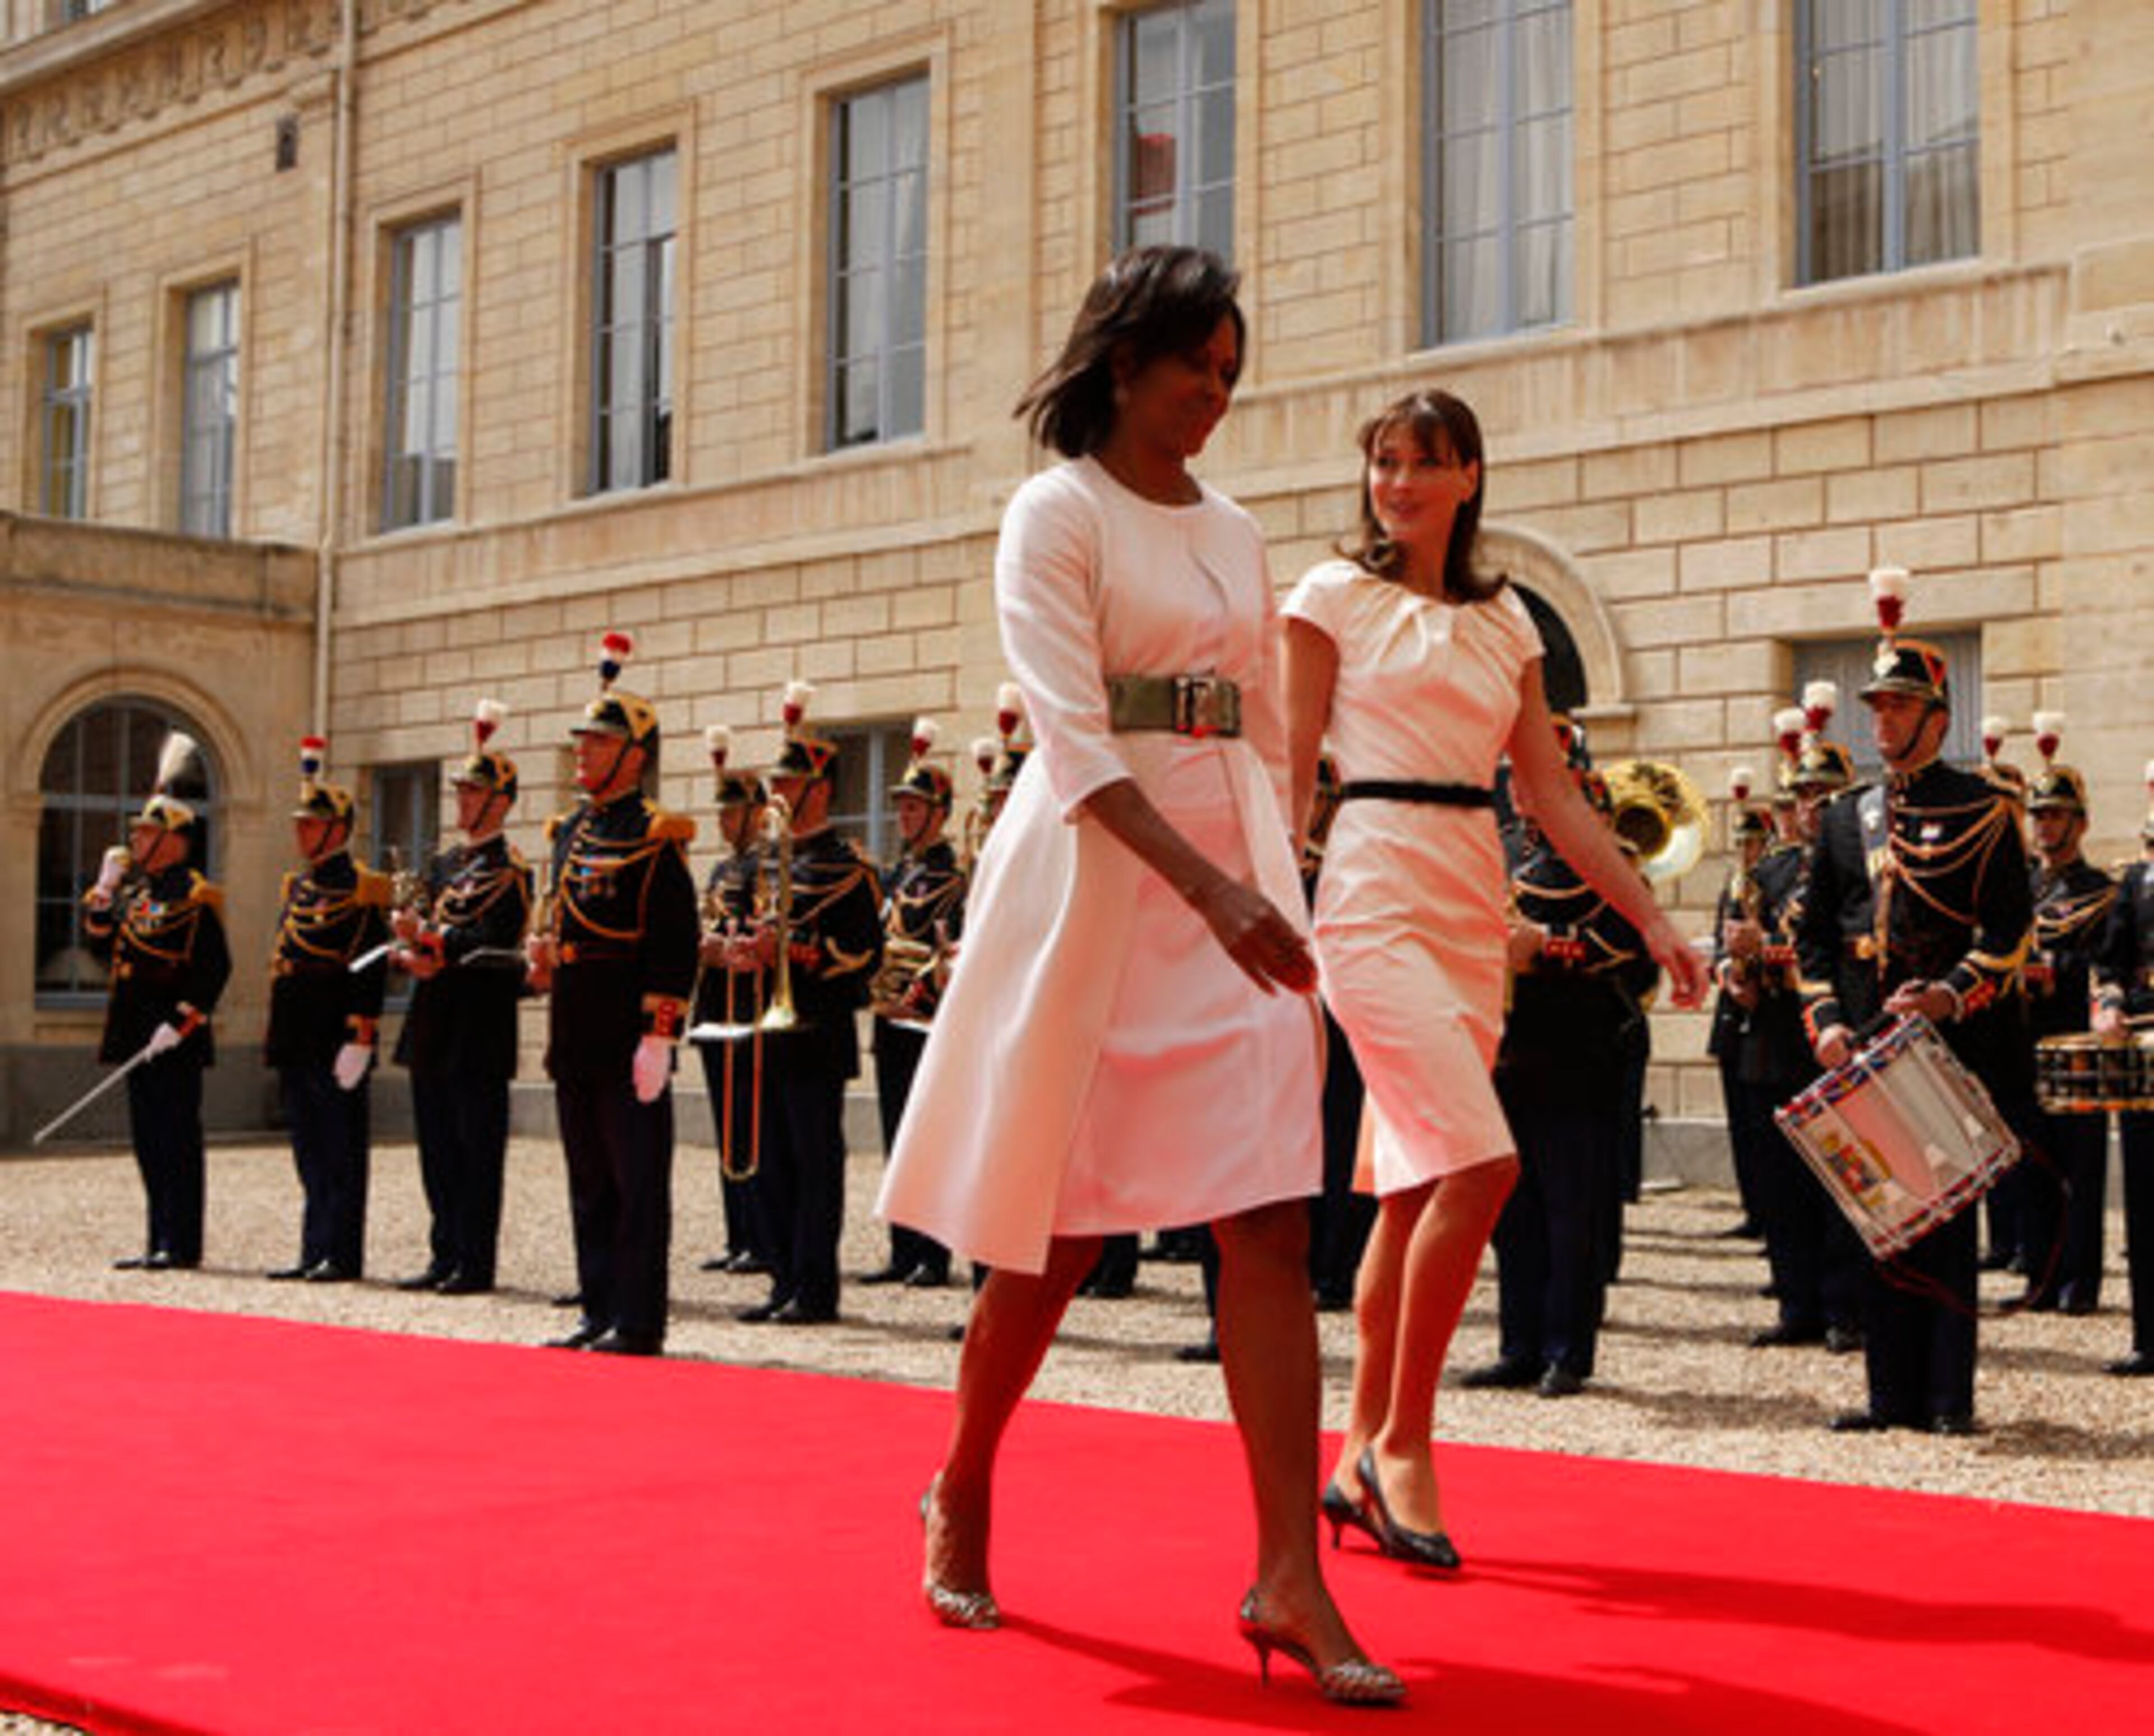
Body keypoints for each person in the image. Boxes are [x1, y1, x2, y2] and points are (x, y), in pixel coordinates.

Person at [877, 245, 1399, 1705]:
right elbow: (1075, 739)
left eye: (1234, 373)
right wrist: (1214, 886)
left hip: (1235, 878)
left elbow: (1262, 721)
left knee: (1271, 1218)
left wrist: (1282, 871)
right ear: (1124, 364)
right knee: (1046, 1237)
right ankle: (964, 1475)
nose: (1218, 396)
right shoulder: (1055, 512)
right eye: (1197, 368)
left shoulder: (1235, 529)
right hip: (1103, 880)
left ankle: (1287, 1569)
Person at [1282, 390, 1704, 1563]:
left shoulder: (1509, 618)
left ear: (1470, 474)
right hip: (1368, 884)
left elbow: (1554, 795)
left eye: (1424, 461)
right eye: (1383, 460)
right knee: (1485, 1161)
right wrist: (1263, 913)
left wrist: (1655, 919)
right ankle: (1400, 1446)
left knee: (1418, 1188)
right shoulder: (1328, 597)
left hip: (1472, 895)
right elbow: (1284, 769)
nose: (1399, 481)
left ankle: (1356, 1442)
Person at [1796, 582, 2037, 1434]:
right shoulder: (1841, 819)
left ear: (1938, 716)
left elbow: (2012, 929)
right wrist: (1825, 1021)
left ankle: (1946, 1395)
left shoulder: (1983, 810)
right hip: (1862, 1040)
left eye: (1900, 706)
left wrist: (1949, 991)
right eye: (1878, 707)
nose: (1884, 721)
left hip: (1945, 1041)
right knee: (1879, 1214)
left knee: (1944, 1221)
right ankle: (1885, 1392)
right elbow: (1813, 937)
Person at [524, 633, 698, 1356]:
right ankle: (597, 1307)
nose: (584, 754)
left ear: (635, 754)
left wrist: (660, 1033)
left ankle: (638, 1319)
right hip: (575, 1028)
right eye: (584, 743)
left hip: (628, 1035)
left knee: (636, 1188)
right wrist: (540, 959)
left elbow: (675, 942)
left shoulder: (655, 837)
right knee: (589, 1181)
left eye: (598, 744)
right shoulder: (571, 831)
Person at [1482, 749, 1663, 1402]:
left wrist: (1548, 938)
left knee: (1571, 1211)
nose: (1522, 794)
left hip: (1576, 1049)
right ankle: (1519, 1343)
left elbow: (1628, 944)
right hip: (1508, 1051)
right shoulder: (1503, 851)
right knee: (1514, 1211)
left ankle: (1567, 1350)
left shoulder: (1605, 856)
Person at [731, 682, 883, 1327]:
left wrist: (801, 952)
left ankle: (816, 1289)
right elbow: (740, 924)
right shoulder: (762, 861)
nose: (778, 796)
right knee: (769, 1162)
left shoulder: (849, 865)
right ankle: (781, 1278)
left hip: (817, 1030)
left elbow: (865, 954)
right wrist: (738, 948)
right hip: (764, 1031)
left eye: (788, 786)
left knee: (815, 1163)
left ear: (819, 790)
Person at [389, 701, 532, 1295]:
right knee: (437, 1149)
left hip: (479, 1025)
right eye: (461, 790)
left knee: (476, 1153)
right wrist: (411, 945)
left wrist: (434, 939)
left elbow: (494, 941)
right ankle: (443, 1250)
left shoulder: (511, 869)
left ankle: (475, 1261)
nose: (462, 801)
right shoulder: (446, 863)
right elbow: (435, 927)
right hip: (434, 1020)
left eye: (473, 792)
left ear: (500, 801)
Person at [80, 734, 230, 1272]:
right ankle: (157, 1235)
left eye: (144, 832)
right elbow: (102, 942)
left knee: (176, 1140)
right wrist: (104, 890)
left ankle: (182, 1242)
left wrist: (180, 1022)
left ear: (171, 839)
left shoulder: (195, 897)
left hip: (172, 1037)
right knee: (148, 1140)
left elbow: (215, 969)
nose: (135, 839)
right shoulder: (139, 895)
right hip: (134, 1033)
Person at [1741, 727, 1863, 1352]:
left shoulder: (1859, 867)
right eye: (1804, 794)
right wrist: (1738, 965)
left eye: (1825, 794)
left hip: (1827, 1037)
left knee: (1839, 1180)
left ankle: (1847, 1308)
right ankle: (1797, 1303)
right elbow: (1745, 948)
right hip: (1772, 1040)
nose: (1812, 806)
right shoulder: (1770, 869)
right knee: (1779, 1186)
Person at [265, 737, 391, 1283]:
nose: (302, 832)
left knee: (340, 1151)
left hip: (333, 1033)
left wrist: (362, 1036)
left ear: (338, 830)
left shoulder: (361, 888)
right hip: (297, 1031)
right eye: (300, 823)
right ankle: (313, 1245)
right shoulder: (299, 886)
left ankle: (341, 1251)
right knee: (308, 1150)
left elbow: (370, 964)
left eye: (312, 825)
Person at [863, 717, 966, 1290]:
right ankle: (903, 1247)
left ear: (938, 812)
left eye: (914, 806)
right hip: (889, 1020)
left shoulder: (954, 876)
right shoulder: (897, 872)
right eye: (900, 806)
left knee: (931, 1135)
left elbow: (951, 945)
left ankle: (934, 1251)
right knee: (895, 1134)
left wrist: (918, 991)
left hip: (925, 1021)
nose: (903, 814)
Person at [2018, 717, 2116, 1313]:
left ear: (2080, 823)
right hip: (2024, 1039)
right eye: (2039, 815)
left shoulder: (2101, 889)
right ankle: (2041, 1273)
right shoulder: (2019, 889)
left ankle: (2081, 1280)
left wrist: (2057, 971)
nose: (2046, 825)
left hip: (2075, 1041)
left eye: (2057, 815)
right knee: (2032, 1164)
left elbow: (2110, 962)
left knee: (2080, 1168)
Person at [690, 726, 771, 1276]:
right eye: (721, 812)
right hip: (717, 1001)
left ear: (756, 813)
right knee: (726, 1125)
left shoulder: (766, 865)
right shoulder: (721, 869)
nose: (723, 821)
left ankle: (762, 1234)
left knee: (752, 1125)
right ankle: (737, 1231)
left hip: (749, 1006)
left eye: (732, 812)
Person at [2092, 763, 2154, 1376]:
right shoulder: (2133, 884)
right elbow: (2109, 963)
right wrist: (2109, 1001)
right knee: (2145, 1195)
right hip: (2144, 1058)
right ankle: (2149, 1336)